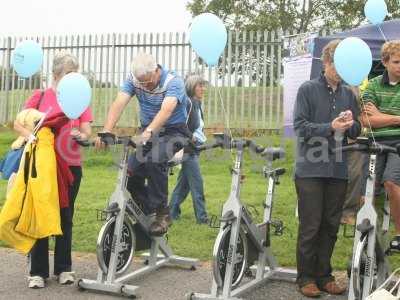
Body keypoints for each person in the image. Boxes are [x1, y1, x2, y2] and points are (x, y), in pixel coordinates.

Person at [14, 51, 93, 288]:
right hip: (43, 165)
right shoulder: (40, 96)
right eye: (69, 73)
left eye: (75, 73)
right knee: (41, 215)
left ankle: (64, 269)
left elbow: (87, 130)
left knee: (65, 217)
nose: (73, 78)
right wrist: (31, 137)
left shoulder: (80, 97)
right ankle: (37, 272)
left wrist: (82, 135)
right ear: (57, 74)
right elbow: (19, 122)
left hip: (71, 166)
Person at [95, 52, 190, 236]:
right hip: (148, 130)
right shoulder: (135, 80)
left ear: (156, 71)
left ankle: (163, 214)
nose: (145, 86)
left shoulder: (173, 82)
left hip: (174, 131)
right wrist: (106, 131)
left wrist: (147, 133)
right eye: (141, 84)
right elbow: (119, 103)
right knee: (129, 172)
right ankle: (148, 210)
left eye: (147, 82)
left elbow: (166, 110)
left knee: (155, 160)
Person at [293, 39, 361, 298]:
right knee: (311, 225)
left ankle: (324, 275)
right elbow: (301, 128)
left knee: (331, 225)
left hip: (338, 168)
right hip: (310, 168)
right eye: (337, 65)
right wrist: (330, 126)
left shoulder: (348, 93)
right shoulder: (307, 89)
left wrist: (351, 124)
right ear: (326, 63)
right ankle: (306, 278)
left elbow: (356, 131)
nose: (340, 70)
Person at [360, 40, 400, 251]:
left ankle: (399, 234)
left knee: (391, 182)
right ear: (384, 62)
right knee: (365, 189)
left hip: (399, 144)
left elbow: (375, 118)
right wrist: (397, 118)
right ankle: (366, 236)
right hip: (375, 143)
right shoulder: (373, 85)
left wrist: (382, 117)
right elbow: (366, 121)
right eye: (396, 62)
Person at [169, 74, 208, 224]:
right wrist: (190, 137)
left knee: (183, 186)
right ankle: (202, 219)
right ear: (192, 87)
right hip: (188, 150)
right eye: (200, 86)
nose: (203, 89)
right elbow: (180, 123)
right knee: (197, 184)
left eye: (203, 86)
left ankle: (172, 212)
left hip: (194, 148)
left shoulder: (196, 103)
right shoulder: (189, 103)